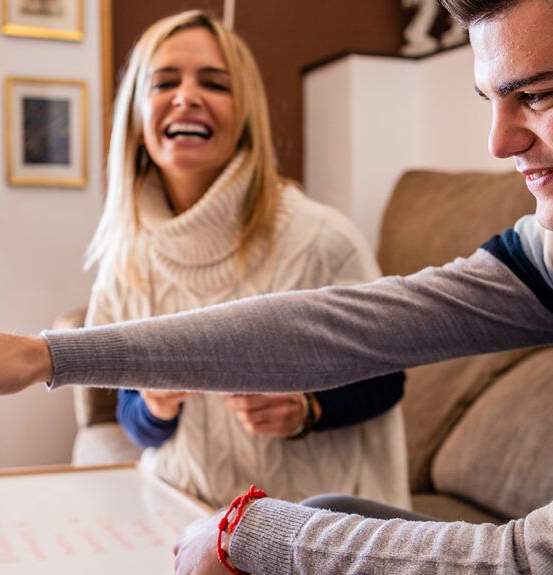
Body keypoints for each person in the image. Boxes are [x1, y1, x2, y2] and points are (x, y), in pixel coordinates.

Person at [0, 0, 553, 573]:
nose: (497, 145)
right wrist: (49, 357)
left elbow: (545, 560)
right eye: (489, 101)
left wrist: (251, 533)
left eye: (533, 95)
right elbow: (352, 327)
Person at [88, 11, 411, 509]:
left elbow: (388, 378)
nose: (187, 96)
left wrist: (308, 408)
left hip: (302, 528)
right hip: (181, 513)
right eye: (164, 82)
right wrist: (153, 404)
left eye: (214, 84)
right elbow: (132, 418)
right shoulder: (123, 260)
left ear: (244, 114)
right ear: (136, 114)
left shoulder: (322, 240)